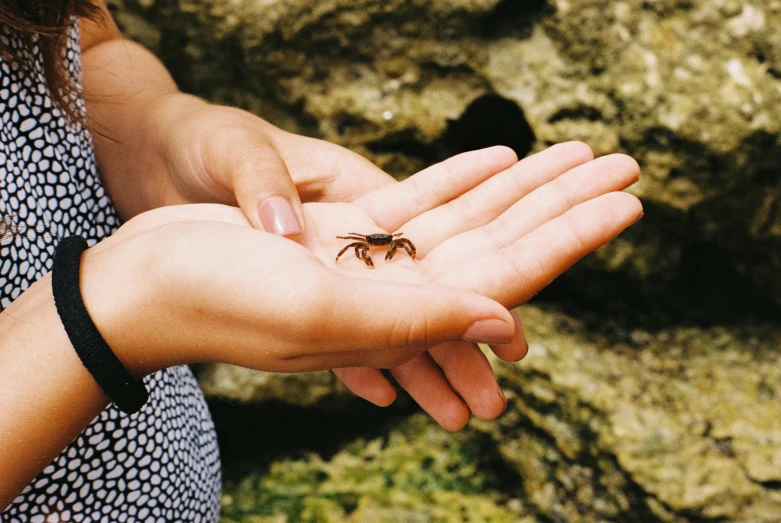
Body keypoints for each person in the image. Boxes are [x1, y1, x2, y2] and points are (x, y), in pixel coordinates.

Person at [0, 0, 643, 520]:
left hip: (167, 475)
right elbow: (357, 249)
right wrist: (105, 318)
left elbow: (85, 44)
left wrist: (165, 138)